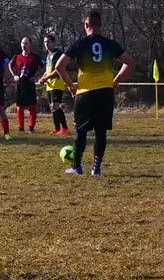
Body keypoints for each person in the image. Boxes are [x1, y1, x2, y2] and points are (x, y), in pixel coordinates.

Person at [51, 9, 132, 176]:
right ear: (101, 26)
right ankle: (96, 168)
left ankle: (77, 166)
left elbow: (59, 66)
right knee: (100, 131)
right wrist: (115, 81)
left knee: (80, 131)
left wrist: (70, 86)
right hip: (105, 92)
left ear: (86, 25)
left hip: (85, 93)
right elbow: (130, 62)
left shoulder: (79, 43)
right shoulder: (110, 44)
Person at [10, 36, 40, 133]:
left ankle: (31, 127)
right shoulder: (17, 57)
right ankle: (21, 127)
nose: (24, 45)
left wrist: (37, 76)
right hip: (20, 84)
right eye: (23, 43)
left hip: (30, 84)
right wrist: (14, 75)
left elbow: (45, 66)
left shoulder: (35, 57)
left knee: (32, 106)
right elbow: (10, 65)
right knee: (20, 106)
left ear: (30, 45)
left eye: (26, 43)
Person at [42, 31, 70, 135]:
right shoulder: (48, 55)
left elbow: (58, 70)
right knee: (52, 108)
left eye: (48, 42)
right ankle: (57, 128)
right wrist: (43, 77)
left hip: (57, 84)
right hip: (50, 85)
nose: (46, 44)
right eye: (45, 42)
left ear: (53, 43)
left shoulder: (58, 54)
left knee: (55, 106)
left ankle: (65, 128)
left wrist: (46, 78)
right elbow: (48, 69)